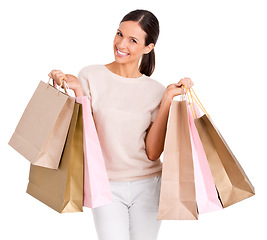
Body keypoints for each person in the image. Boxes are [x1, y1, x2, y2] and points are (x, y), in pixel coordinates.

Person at [49, 9, 194, 240]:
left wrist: (167, 99)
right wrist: (75, 91)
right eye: (119, 34)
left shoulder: (155, 90)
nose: (121, 44)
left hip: (149, 184)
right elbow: (85, 137)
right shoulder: (89, 76)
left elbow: (153, 152)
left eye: (133, 40)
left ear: (148, 48)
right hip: (105, 184)